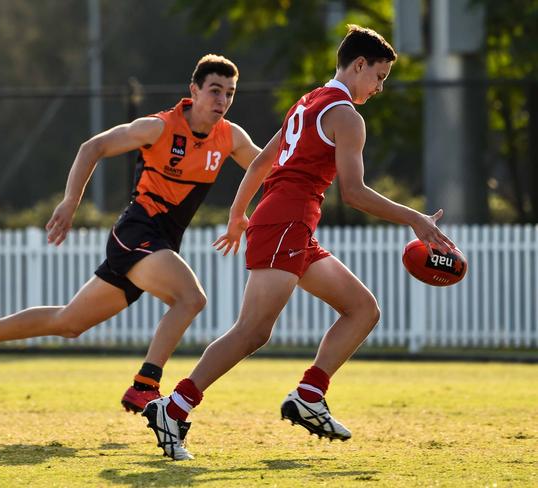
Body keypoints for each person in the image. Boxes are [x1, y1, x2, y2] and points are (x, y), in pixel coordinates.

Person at [143, 25, 455, 460]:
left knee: (362, 309)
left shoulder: (307, 102)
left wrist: (238, 216)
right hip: (287, 220)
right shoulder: (346, 115)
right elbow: (355, 192)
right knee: (252, 331)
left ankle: (310, 394)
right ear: (359, 64)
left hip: (291, 222)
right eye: (379, 76)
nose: (379, 87)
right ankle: (173, 408)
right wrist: (414, 219)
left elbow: (261, 164)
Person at [0, 54, 261, 415]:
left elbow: (266, 168)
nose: (222, 101)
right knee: (191, 299)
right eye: (215, 91)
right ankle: (144, 386)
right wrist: (70, 201)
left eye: (230, 94)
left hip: (157, 244)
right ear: (194, 91)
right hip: (136, 232)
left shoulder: (229, 136)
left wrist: (302, 162)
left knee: (69, 322)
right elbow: (93, 147)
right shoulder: (159, 127)